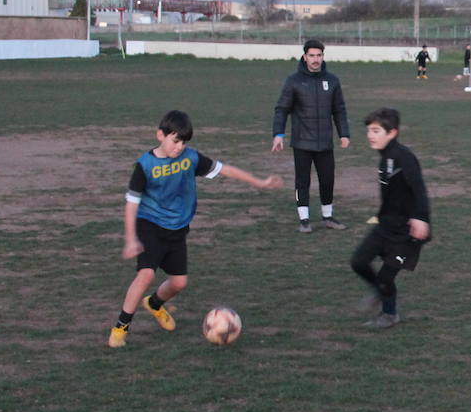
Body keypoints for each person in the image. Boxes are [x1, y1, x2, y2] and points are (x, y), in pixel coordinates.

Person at [109, 110, 282, 347]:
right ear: (160, 135)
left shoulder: (190, 158)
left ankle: (154, 304)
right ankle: (121, 326)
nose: (179, 147)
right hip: (149, 224)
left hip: (178, 228)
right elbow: (131, 203)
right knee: (146, 274)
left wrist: (259, 182)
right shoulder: (145, 165)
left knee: (179, 283)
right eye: (175, 140)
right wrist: (130, 239)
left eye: (183, 142)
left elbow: (226, 170)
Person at [350, 107, 432, 330]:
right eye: (369, 130)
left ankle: (389, 313)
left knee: (386, 276)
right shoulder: (385, 157)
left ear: (392, 133)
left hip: (408, 232)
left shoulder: (404, 157)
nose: (370, 135)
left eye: (376, 131)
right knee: (358, 261)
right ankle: (379, 291)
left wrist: (420, 218)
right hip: (386, 225)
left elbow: (419, 190)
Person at [272, 39, 350, 233]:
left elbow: (339, 110)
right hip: (302, 142)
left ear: (323, 56)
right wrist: (278, 134)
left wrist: (344, 134)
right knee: (302, 182)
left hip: (325, 142)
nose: (315, 59)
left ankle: (328, 216)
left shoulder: (332, 80)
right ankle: (304, 219)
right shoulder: (294, 81)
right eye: (312, 56)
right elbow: (282, 109)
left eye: (319, 55)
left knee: (327, 180)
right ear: (305, 57)